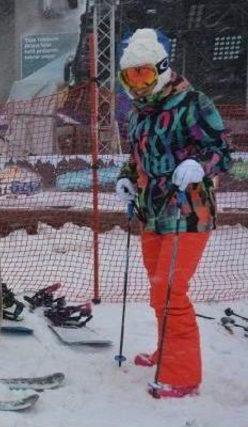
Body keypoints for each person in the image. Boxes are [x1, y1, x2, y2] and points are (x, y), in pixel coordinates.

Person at [115, 29, 232, 398]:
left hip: (188, 210)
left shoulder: (193, 102)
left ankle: (181, 375)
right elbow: (137, 160)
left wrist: (200, 165)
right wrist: (126, 179)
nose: (137, 84)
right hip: (153, 213)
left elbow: (222, 151)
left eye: (144, 73)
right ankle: (167, 353)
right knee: (157, 291)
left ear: (162, 69)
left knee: (169, 291)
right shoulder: (138, 115)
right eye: (129, 76)